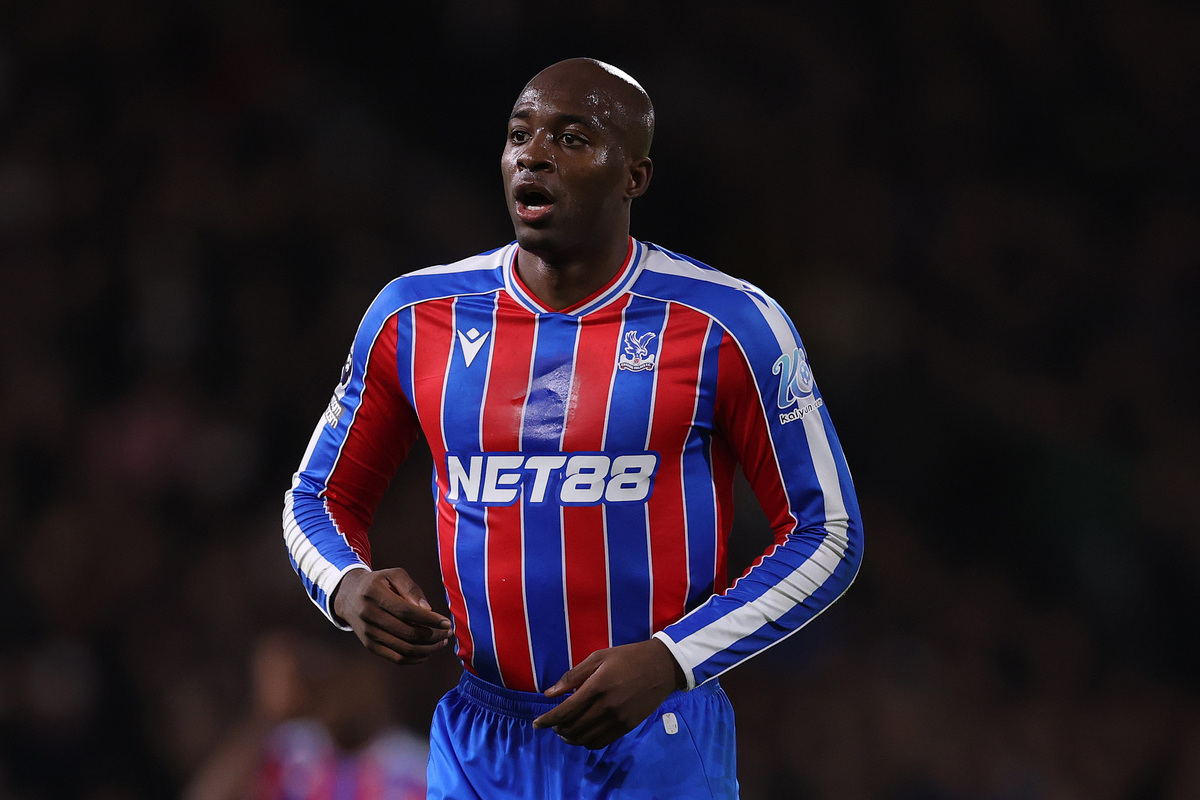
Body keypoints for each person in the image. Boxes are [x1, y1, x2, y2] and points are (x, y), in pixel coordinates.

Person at [283, 57, 863, 799]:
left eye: (573, 137)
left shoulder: (730, 324)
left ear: (635, 177)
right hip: (478, 742)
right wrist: (346, 585)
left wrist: (673, 658)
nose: (534, 154)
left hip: (660, 739)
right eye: (520, 135)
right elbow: (315, 497)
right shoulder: (413, 316)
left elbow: (829, 532)